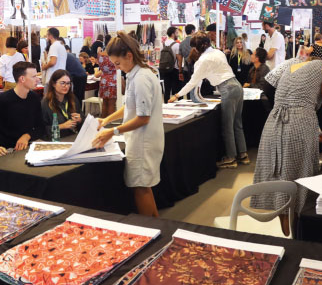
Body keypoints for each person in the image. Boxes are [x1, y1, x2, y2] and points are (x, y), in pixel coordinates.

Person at [251, 52, 322, 236]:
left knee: (279, 170)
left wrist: (315, 132)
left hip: (273, 122)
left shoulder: (292, 65)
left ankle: (283, 211)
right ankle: (298, 219)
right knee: (301, 172)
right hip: (299, 121)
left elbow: (289, 98)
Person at [92, 32, 164, 217]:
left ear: (129, 56)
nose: (117, 68)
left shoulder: (141, 78)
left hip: (143, 141)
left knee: (140, 188)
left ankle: (150, 228)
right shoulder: (138, 74)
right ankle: (154, 225)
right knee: (143, 186)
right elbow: (130, 105)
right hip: (143, 139)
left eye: (118, 63)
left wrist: (113, 131)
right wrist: (108, 119)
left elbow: (143, 117)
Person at [169, 32, 248, 169]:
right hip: (237, 86)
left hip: (227, 89)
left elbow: (192, 83)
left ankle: (231, 158)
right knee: (237, 123)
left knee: (227, 126)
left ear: (199, 47)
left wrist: (177, 95)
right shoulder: (218, 52)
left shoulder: (203, 61)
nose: (194, 50)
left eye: (195, 47)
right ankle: (243, 154)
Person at [42, 69, 82, 139]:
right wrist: (62, 126)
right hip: (56, 139)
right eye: (62, 83)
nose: (66, 86)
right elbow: (42, 130)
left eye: (68, 83)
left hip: (73, 136)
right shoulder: (45, 103)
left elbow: (82, 117)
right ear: (53, 84)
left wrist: (80, 119)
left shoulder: (73, 99)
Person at [159, 26, 182, 103]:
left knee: (167, 89)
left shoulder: (162, 44)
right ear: (173, 34)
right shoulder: (176, 45)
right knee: (177, 89)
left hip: (165, 69)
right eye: (176, 33)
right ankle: (180, 103)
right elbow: (179, 59)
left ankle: (166, 103)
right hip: (174, 69)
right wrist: (180, 71)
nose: (177, 34)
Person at [95, 46, 117, 117]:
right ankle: (110, 122)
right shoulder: (114, 55)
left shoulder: (100, 55)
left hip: (103, 80)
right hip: (113, 80)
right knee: (112, 104)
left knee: (104, 103)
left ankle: (103, 121)